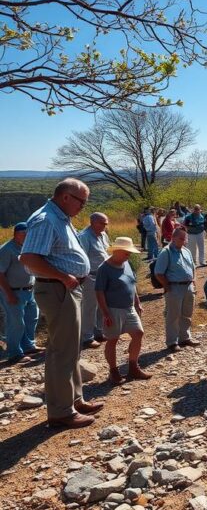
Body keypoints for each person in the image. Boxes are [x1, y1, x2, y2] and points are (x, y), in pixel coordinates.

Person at [19, 178, 104, 429]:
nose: (83, 207)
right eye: (82, 201)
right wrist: (63, 276)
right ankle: (61, 411)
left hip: (67, 289)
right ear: (66, 197)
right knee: (61, 352)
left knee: (71, 349)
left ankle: (74, 400)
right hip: (58, 290)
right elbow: (30, 258)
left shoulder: (60, 218)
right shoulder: (46, 219)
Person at [95, 237, 151, 385]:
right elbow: (99, 292)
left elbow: (132, 285)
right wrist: (105, 313)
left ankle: (133, 367)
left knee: (138, 333)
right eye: (126, 252)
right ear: (117, 251)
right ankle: (114, 372)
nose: (128, 255)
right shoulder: (104, 268)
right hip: (113, 309)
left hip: (129, 307)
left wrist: (137, 303)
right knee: (112, 339)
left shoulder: (126, 263)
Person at [0, 222, 43, 365]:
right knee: (16, 323)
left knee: (32, 318)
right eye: (24, 233)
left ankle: (28, 346)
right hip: (13, 291)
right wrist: (9, 294)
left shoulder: (28, 248)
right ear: (16, 234)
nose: (27, 236)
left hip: (29, 290)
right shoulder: (7, 249)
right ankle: (14, 353)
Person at [154, 228, 198, 352]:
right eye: (182, 239)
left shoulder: (187, 251)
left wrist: (194, 281)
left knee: (187, 314)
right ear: (173, 238)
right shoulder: (166, 252)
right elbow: (158, 273)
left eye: (186, 238)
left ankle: (185, 337)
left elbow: (193, 267)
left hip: (188, 287)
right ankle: (172, 342)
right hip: (174, 287)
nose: (184, 241)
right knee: (173, 315)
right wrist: (167, 287)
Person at [78, 212, 110, 349]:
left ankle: (99, 332)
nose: (105, 226)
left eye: (106, 223)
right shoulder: (84, 237)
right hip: (90, 276)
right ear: (93, 222)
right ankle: (87, 337)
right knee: (89, 307)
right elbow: (81, 257)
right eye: (102, 223)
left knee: (101, 306)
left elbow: (106, 252)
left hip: (102, 275)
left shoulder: (103, 235)